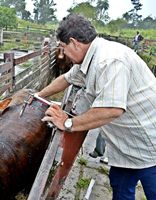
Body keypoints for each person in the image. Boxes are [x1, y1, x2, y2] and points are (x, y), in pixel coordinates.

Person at [38, 14, 156, 200]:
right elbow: (66, 78)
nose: (64, 54)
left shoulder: (109, 60)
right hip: (124, 145)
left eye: (63, 48)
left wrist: (68, 123)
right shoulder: (90, 58)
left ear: (74, 43)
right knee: (120, 188)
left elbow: (111, 109)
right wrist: (38, 96)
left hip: (148, 143)